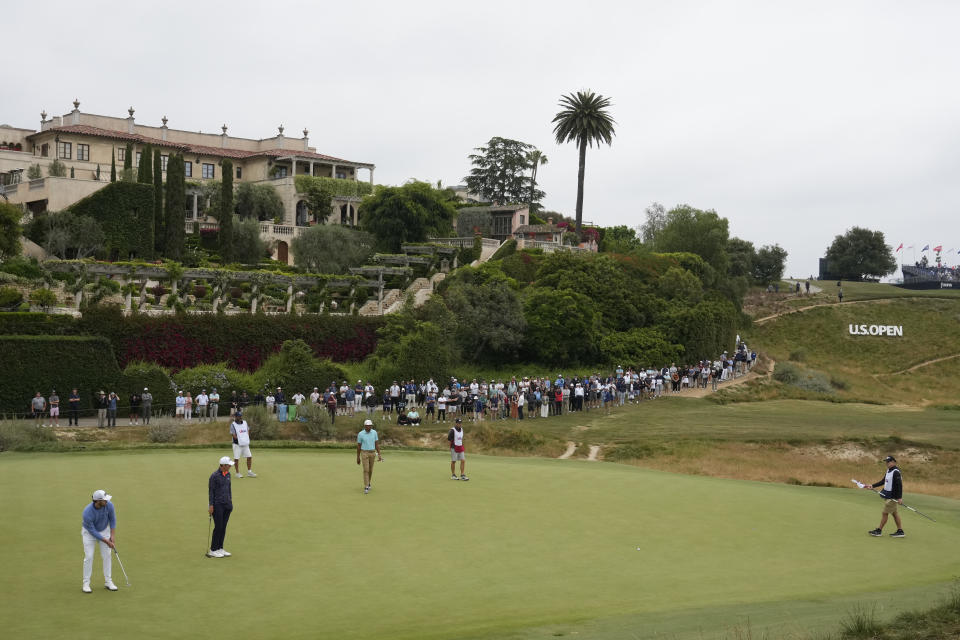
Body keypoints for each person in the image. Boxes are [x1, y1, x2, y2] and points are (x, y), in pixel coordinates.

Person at [81, 489, 117, 593]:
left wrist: (112, 535)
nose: (107, 501)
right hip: (89, 533)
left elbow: (113, 519)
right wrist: (107, 541)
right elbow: (92, 531)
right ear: (97, 501)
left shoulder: (109, 505)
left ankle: (108, 581)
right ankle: (86, 583)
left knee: (107, 555)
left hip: (104, 530)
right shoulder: (87, 512)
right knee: (89, 556)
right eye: (104, 500)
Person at [862, 455, 905, 538]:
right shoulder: (889, 470)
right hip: (888, 496)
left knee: (884, 513)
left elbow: (899, 485)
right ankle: (900, 531)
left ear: (893, 462)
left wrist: (899, 498)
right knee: (894, 513)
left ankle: (879, 530)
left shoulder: (896, 472)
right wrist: (872, 485)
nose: (887, 463)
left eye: (888, 462)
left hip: (893, 497)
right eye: (886, 462)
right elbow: (883, 481)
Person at [208, 456, 234, 558]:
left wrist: (230, 501)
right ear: (223, 466)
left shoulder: (228, 474)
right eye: (228, 465)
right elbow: (211, 492)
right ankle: (213, 550)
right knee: (218, 527)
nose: (230, 466)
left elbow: (229, 489)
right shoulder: (214, 476)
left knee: (223, 527)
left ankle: (220, 548)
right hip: (217, 505)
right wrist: (211, 505)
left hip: (227, 505)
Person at [356, 419, 382, 494]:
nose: (369, 427)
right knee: (366, 470)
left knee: (370, 470)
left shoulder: (374, 433)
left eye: (370, 426)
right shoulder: (361, 434)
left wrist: (379, 454)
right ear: (365, 426)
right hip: (364, 453)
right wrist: (358, 457)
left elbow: (376, 444)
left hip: (372, 453)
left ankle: (368, 482)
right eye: (367, 426)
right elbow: (358, 446)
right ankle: (366, 486)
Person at [230, 409, 256, 478]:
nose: (240, 417)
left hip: (245, 444)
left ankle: (249, 472)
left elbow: (247, 430)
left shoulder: (245, 422)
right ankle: (237, 473)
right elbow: (233, 435)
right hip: (237, 444)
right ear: (235, 417)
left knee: (249, 457)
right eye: (238, 416)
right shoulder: (233, 425)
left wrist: (245, 438)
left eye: (241, 416)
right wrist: (240, 439)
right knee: (236, 458)